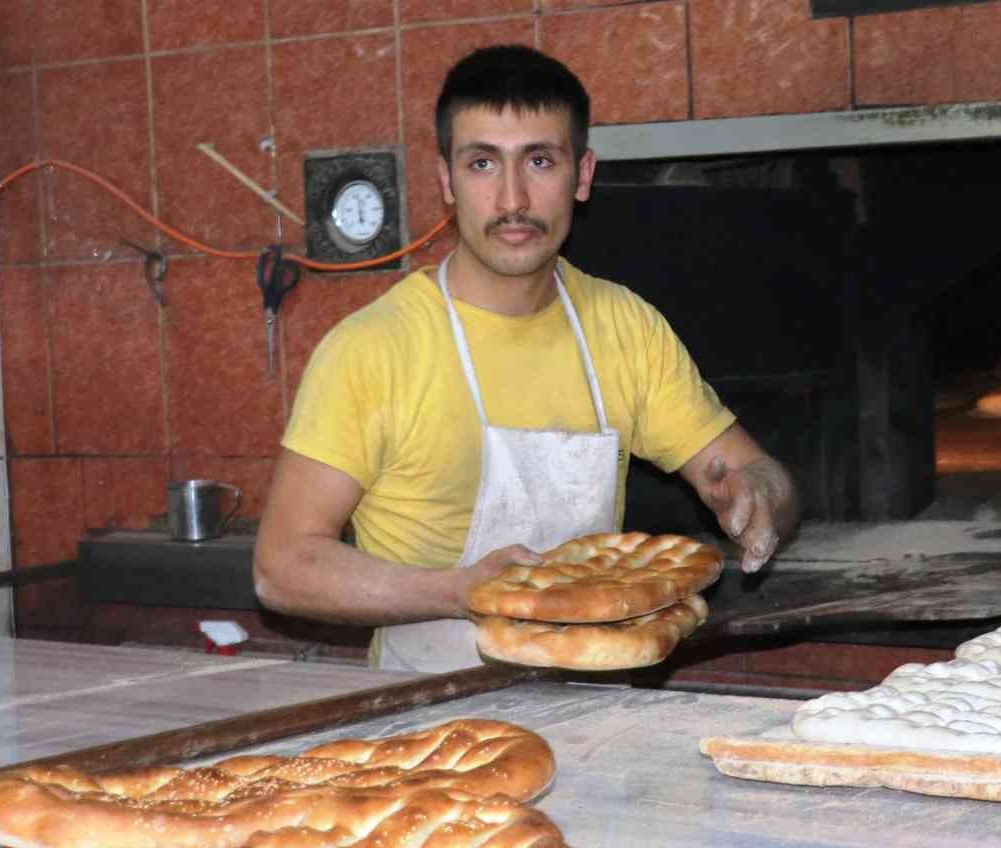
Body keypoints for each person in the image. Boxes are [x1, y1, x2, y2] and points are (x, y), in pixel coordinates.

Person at [254, 45, 798, 673]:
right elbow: (282, 567)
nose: (512, 200)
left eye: (540, 160)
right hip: (426, 731)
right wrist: (462, 591)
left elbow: (758, 475)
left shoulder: (626, 328)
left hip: (595, 711)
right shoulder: (373, 349)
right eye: (483, 163)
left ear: (583, 174)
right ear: (446, 181)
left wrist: (759, 497)